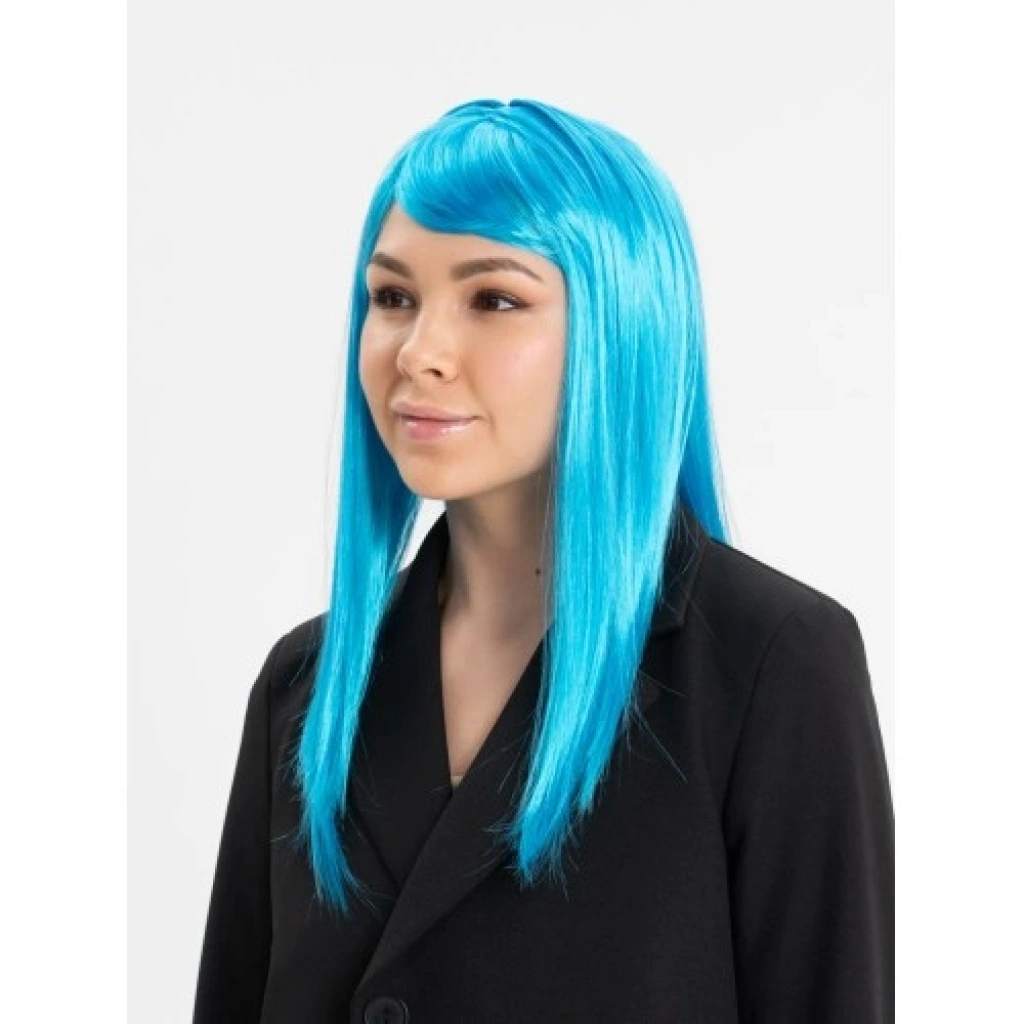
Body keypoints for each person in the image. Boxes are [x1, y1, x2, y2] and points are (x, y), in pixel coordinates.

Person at [192, 98, 894, 1023]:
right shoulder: (306, 687)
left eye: (494, 300)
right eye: (393, 297)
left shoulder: (769, 666)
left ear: (620, 330)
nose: (420, 352)